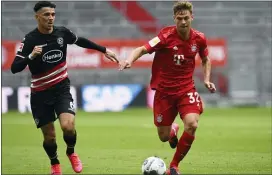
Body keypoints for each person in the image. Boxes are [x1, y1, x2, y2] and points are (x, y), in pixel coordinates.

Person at [11, 1, 119, 175]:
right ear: (37, 17)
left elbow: (80, 41)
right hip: (39, 94)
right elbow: (14, 68)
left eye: (53, 14)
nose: (51, 18)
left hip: (61, 89)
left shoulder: (62, 33)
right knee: (50, 137)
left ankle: (71, 151)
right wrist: (31, 56)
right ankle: (55, 163)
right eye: (46, 15)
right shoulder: (30, 40)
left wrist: (104, 50)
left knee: (68, 126)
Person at [119, 1, 216, 174]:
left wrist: (207, 79)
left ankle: (174, 165)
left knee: (192, 124)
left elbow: (206, 58)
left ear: (192, 17)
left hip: (187, 89)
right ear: (174, 18)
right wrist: (129, 60)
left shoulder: (199, 38)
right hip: (164, 92)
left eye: (186, 18)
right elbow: (142, 49)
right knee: (163, 137)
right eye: (179, 19)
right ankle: (172, 130)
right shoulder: (165, 36)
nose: (183, 22)